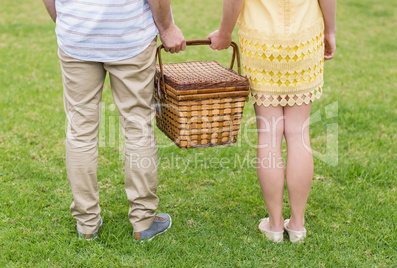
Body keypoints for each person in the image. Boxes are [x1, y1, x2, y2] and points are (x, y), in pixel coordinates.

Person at [42, 0, 186, 241]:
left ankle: (86, 225)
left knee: (80, 131)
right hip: (129, 34)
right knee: (138, 127)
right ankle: (143, 221)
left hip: (77, 35)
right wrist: (167, 27)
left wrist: (69, 19)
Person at [208, 0, 336, 243]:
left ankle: (275, 225)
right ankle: (297, 225)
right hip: (304, 37)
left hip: (261, 41)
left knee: (269, 134)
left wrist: (224, 33)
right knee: (299, 133)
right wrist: (330, 30)